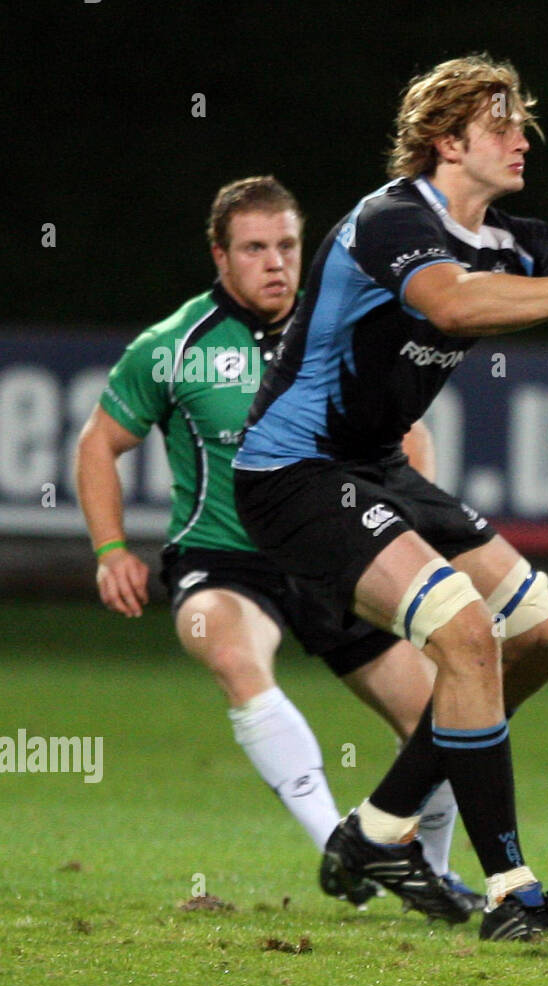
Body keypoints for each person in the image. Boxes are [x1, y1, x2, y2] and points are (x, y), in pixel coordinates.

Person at [232, 54, 548, 942]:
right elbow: (448, 305)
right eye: (501, 125)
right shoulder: (390, 217)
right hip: (295, 471)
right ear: (447, 141)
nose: (523, 139)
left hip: (379, 467)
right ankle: (512, 892)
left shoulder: (514, 239)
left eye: (521, 122)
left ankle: (375, 829)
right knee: (467, 633)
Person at [75, 176, 481, 921]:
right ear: (219, 257)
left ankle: (431, 874)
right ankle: (339, 842)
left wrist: (410, 532)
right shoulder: (174, 347)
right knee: (232, 653)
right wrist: (109, 549)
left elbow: (407, 434)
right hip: (225, 556)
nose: (275, 263)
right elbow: (100, 443)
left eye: (288, 245)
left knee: (444, 710)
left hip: (336, 552)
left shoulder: (347, 329)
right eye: (254, 248)